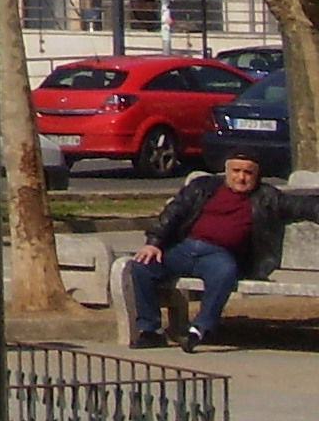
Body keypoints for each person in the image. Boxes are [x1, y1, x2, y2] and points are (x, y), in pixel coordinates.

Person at [121, 150, 319, 350]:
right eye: (236, 171)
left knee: (225, 272)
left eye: (248, 173)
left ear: (257, 175)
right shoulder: (203, 187)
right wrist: (154, 242)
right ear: (226, 171)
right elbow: (173, 213)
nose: (241, 177)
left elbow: (303, 205)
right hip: (183, 249)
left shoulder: (267, 197)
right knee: (142, 267)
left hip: (218, 256)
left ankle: (200, 329)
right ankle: (149, 331)